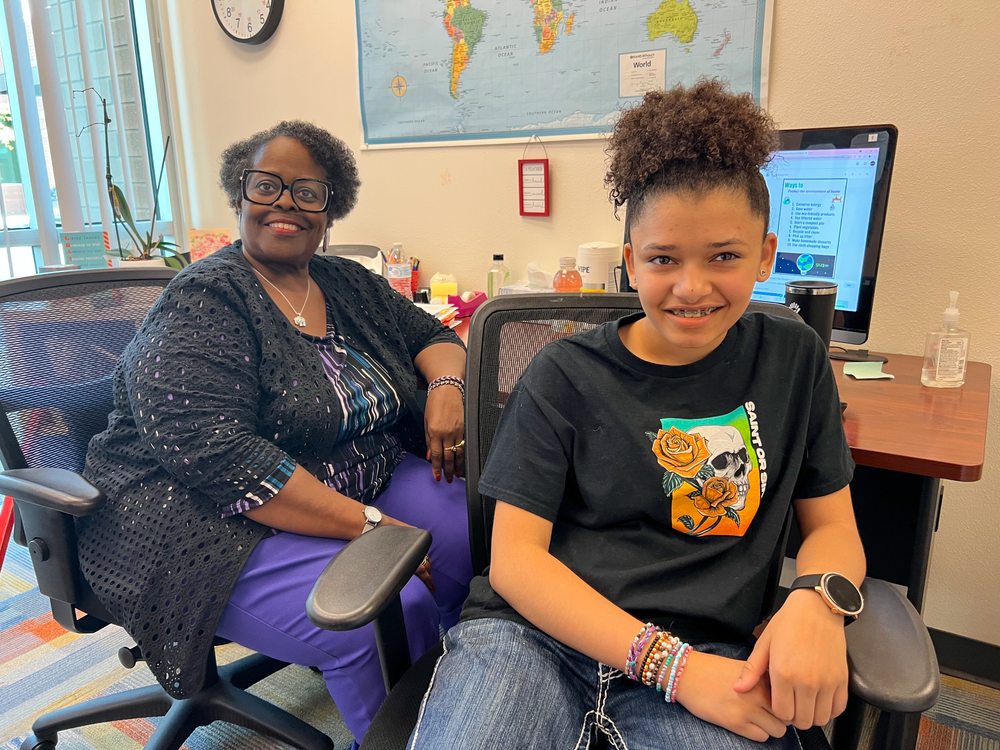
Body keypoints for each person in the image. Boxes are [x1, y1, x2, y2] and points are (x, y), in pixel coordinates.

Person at [407, 80, 865, 749]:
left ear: (766, 254)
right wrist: (673, 670)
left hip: (710, 648)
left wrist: (819, 599)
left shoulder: (793, 358)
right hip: (535, 639)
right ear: (630, 263)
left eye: (725, 257)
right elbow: (514, 562)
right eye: (662, 259)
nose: (691, 286)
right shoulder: (563, 373)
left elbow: (833, 527)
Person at [77, 120, 474, 746]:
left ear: (330, 211)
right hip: (198, 514)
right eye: (266, 186)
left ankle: (461, 686)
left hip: (346, 471)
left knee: (476, 523)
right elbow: (222, 457)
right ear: (240, 196)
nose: (285, 202)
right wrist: (375, 529)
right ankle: (408, 728)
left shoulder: (342, 281)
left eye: (307, 191)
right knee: (388, 608)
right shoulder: (204, 300)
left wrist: (447, 392)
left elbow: (433, 337)